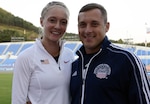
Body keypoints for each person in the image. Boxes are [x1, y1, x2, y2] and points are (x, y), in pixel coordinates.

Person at [70, 3, 150, 104]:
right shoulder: (74, 65)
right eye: (83, 25)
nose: (88, 30)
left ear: (106, 27)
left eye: (94, 24)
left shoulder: (127, 60)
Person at [11, 1, 74, 104]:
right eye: (52, 20)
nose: (58, 26)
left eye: (63, 22)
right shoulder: (26, 58)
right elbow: (18, 101)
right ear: (41, 21)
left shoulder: (70, 55)